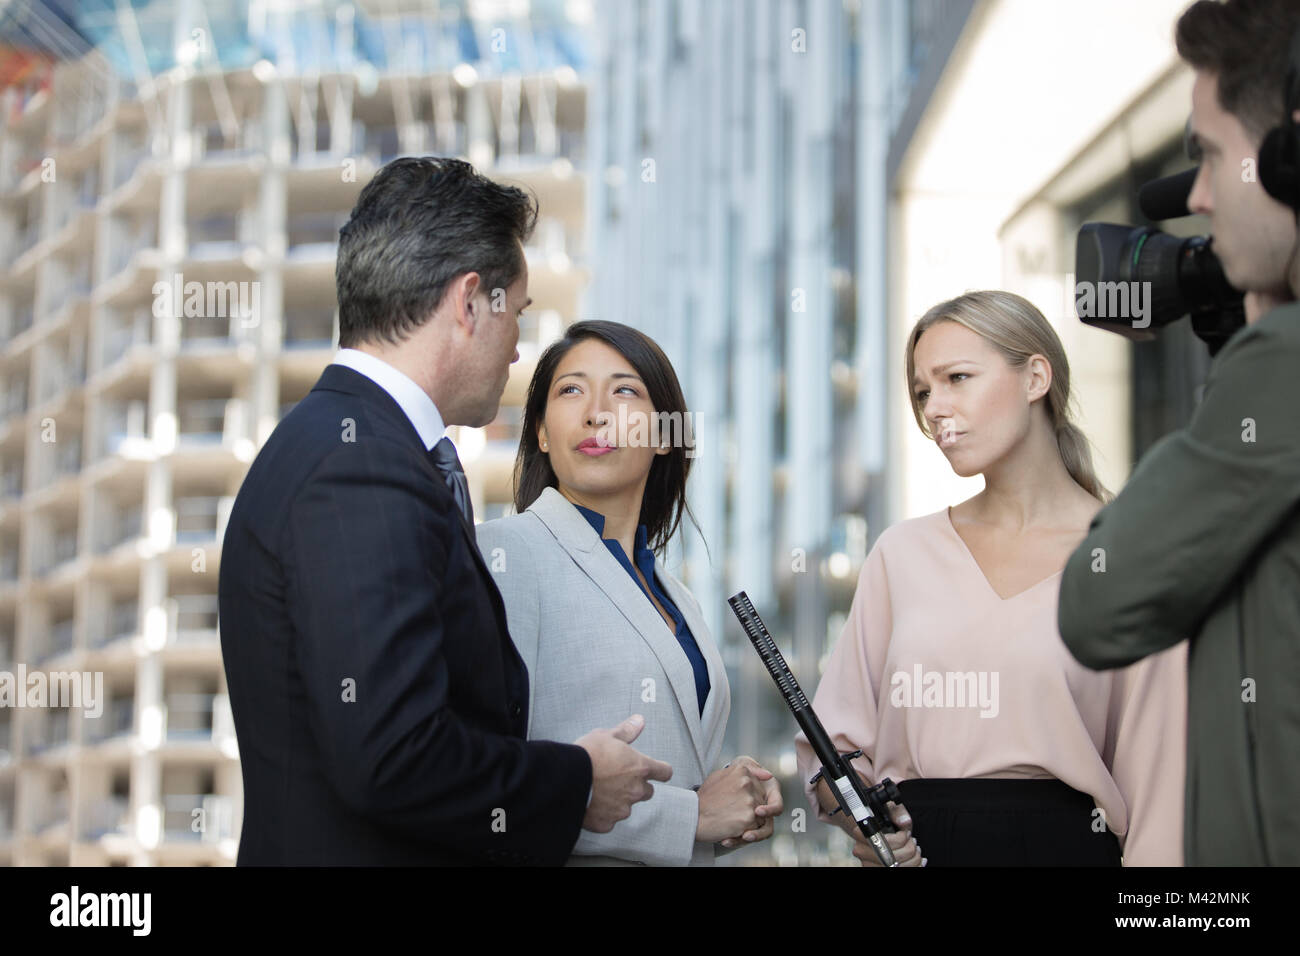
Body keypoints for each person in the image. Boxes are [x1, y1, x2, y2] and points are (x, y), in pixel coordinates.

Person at [218, 158, 671, 865]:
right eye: (515, 316)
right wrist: (578, 781)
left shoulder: (349, 444)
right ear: (469, 304)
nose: (517, 348)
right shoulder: (361, 465)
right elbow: (394, 756)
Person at [796, 291, 1187, 866]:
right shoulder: (902, 554)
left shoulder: (1133, 556)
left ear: (1035, 378)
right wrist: (868, 827)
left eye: (957, 378)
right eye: (924, 391)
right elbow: (834, 750)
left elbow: (1162, 788)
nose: (934, 408)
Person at [1059, 0, 1300, 866]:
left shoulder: (1282, 362)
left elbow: (1100, 601)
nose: (1195, 197)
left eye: (1209, 154)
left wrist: (1262, 338)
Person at [476, 320, 783, 865]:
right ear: (543, 432)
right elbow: (482, 778)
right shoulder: (504, 555)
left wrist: (736, 794)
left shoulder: (677, 596)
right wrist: (692, 815)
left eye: (624, 390)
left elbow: (672, 764)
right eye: (570, 390)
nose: (596, 412)